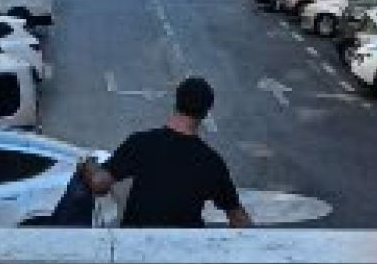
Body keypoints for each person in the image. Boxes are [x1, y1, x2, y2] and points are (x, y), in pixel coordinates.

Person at [76, 77, 252, 229]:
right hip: (184, 253)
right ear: (205, 113)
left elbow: (98, 184)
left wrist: (87, 162)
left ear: (176, 102)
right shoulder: (212, 162)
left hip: (135, 247)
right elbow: (238, 218)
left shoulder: (141, 143)